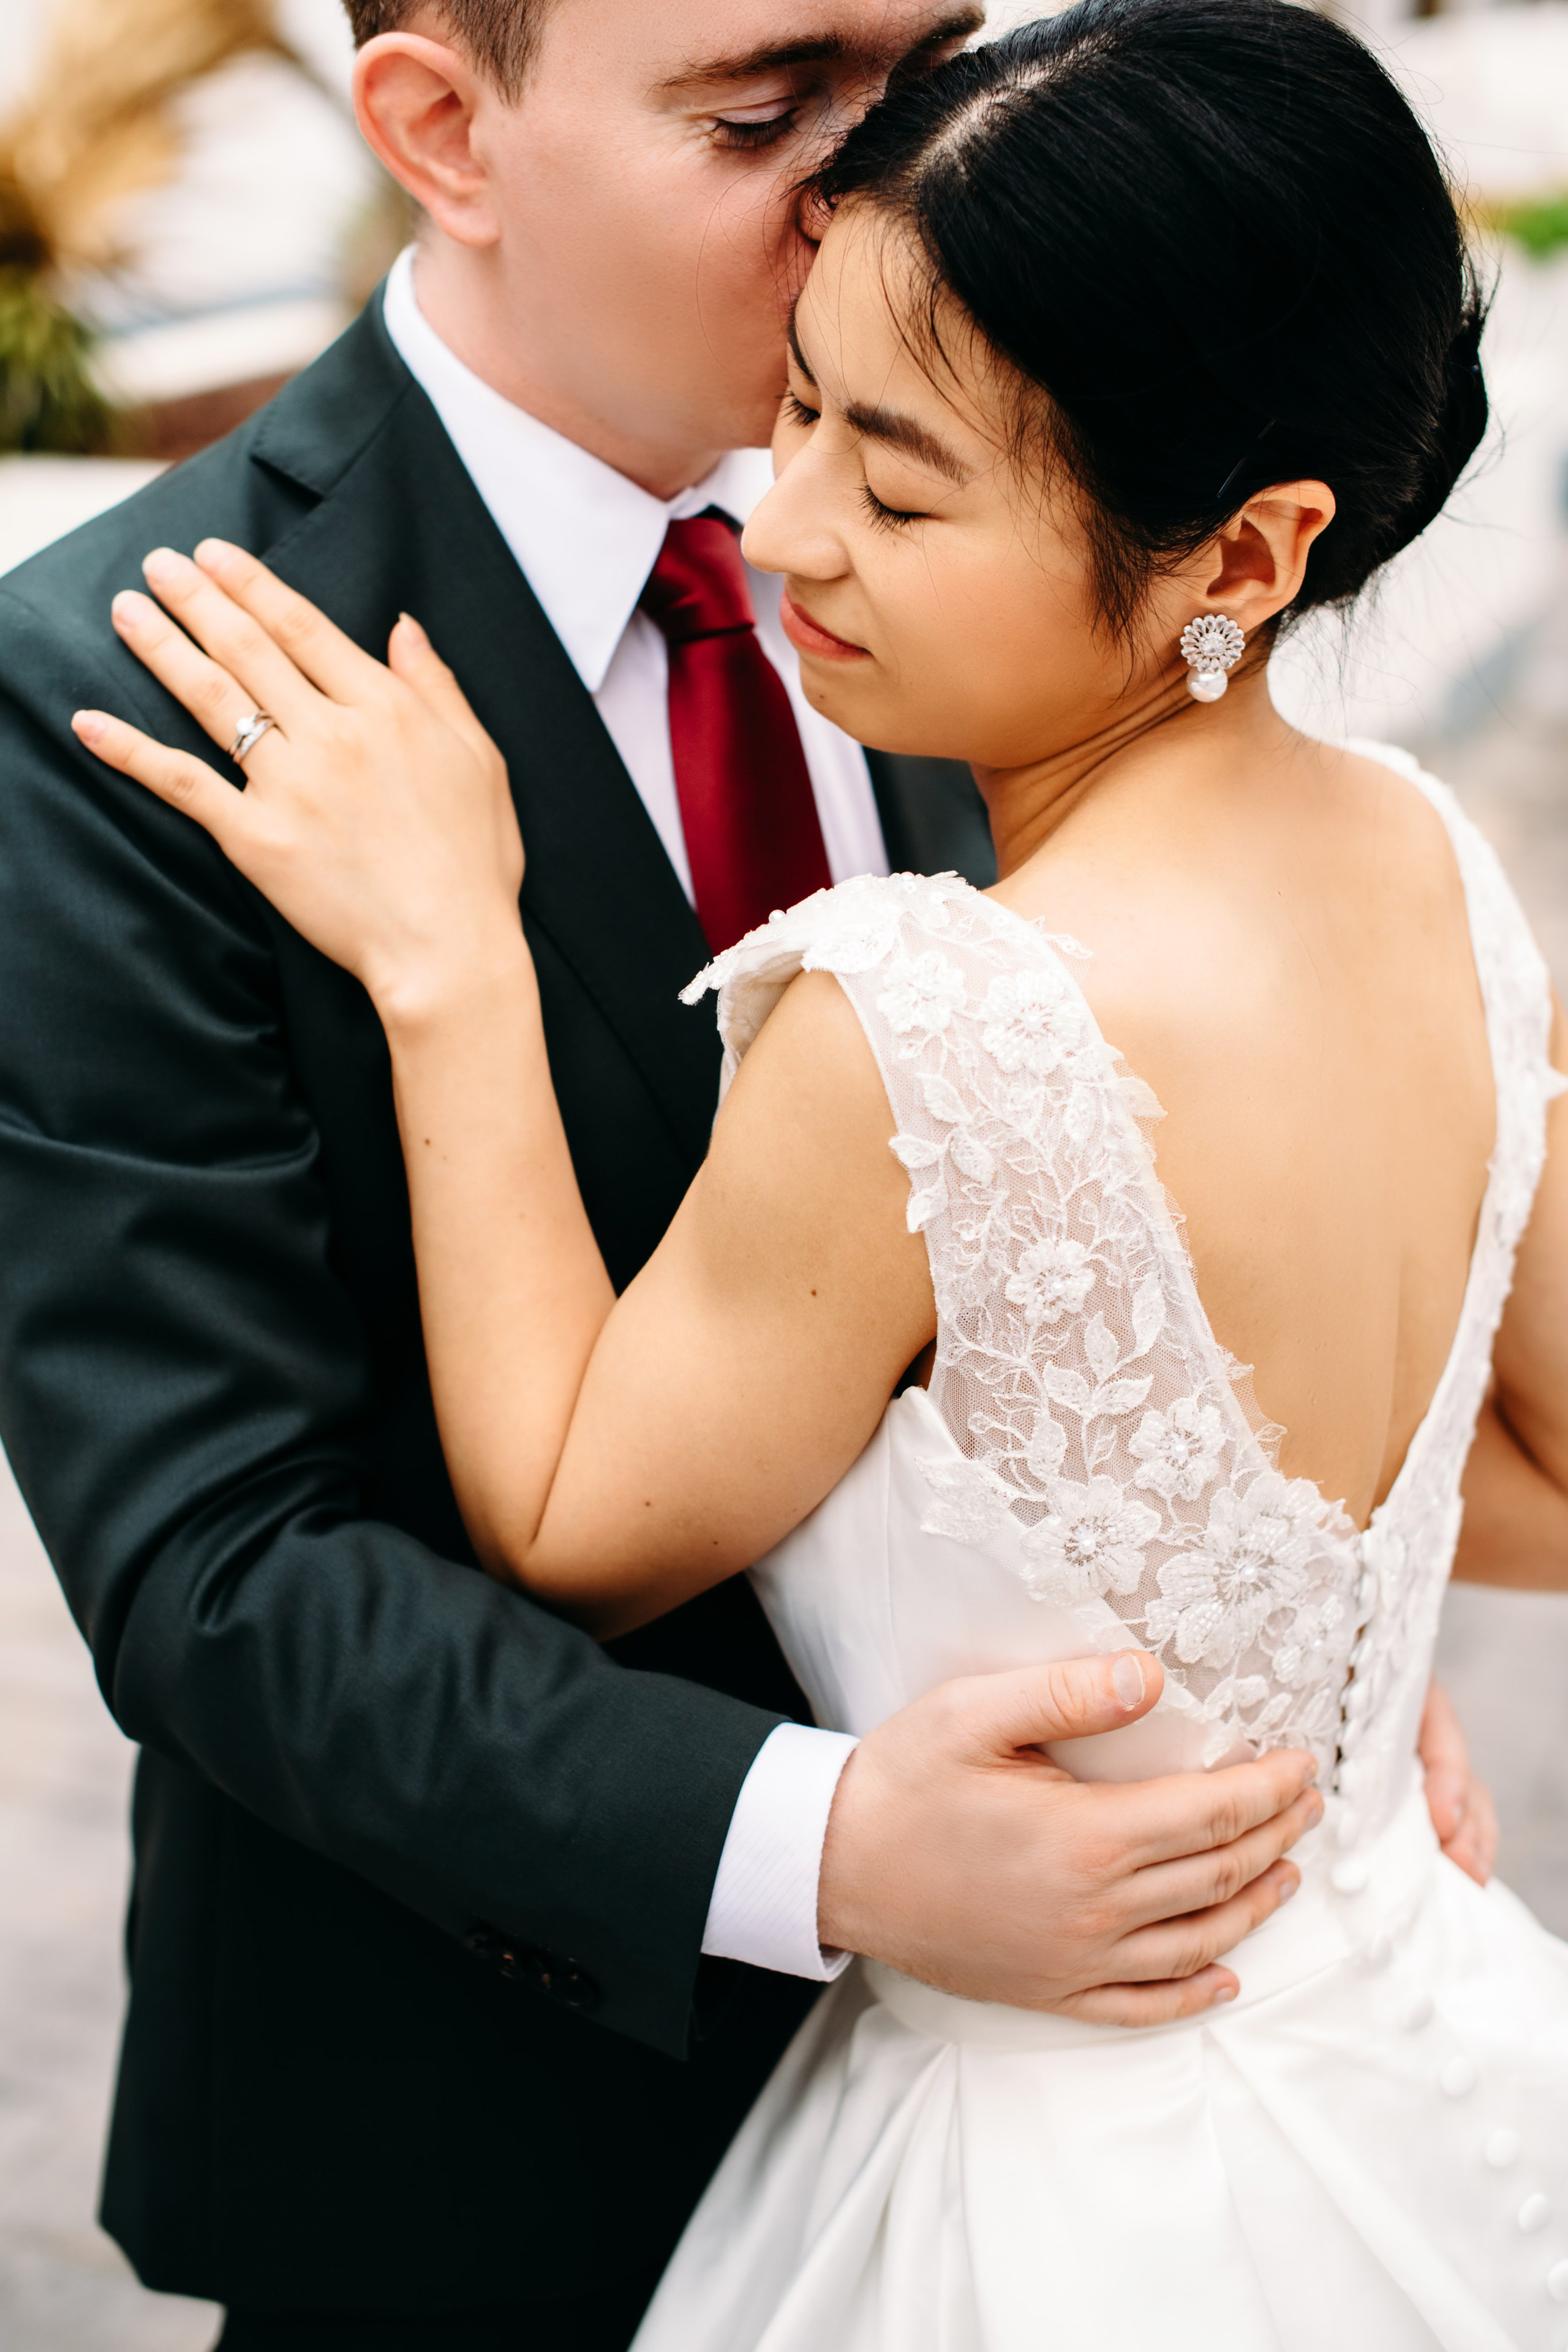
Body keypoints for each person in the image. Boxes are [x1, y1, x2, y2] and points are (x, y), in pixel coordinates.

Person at [75, 0, 1568, 2342]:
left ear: (1242, 552)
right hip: (563, 2134)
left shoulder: (959, 860)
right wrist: (1239, 1658)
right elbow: (219, 1561)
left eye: (927, 70)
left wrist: (1265, 1629)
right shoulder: (1434, 859)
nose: (788, 531)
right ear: (440, 127)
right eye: (772, 111)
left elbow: (590, 1507)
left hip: (1074, 2159)